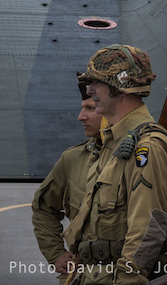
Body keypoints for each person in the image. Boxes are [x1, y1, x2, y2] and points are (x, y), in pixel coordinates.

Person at [65, 44, 167, 284]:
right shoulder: (115, 142)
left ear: (120, 87)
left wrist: (128, 279)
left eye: (98, 83)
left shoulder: (147, 146)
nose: (90, 90)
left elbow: (146, 229)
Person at [31, 99, 103, 283]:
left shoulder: (149, 156)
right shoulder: (72, 159)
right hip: (81, 276)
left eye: (91, 108)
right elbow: (44, 208)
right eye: (82, 108)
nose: (81, 117)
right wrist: (56, 254)